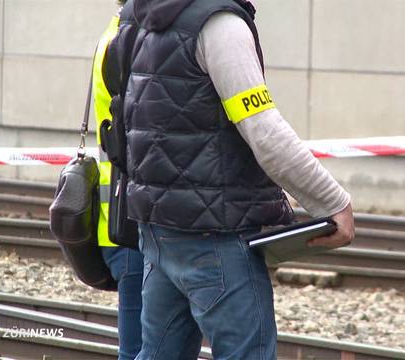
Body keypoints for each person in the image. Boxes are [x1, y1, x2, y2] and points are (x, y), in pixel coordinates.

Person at [112, 0, 355, 358]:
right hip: (217, 238)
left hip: (159, 232)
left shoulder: (136, 17)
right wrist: (332, 202)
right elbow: (263, 130)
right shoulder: (220, 24)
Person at [91, 4, 144, 359]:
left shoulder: (116, 34)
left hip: (122, 220)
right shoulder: (127, 41)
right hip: (127, 224)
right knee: (139, 349)